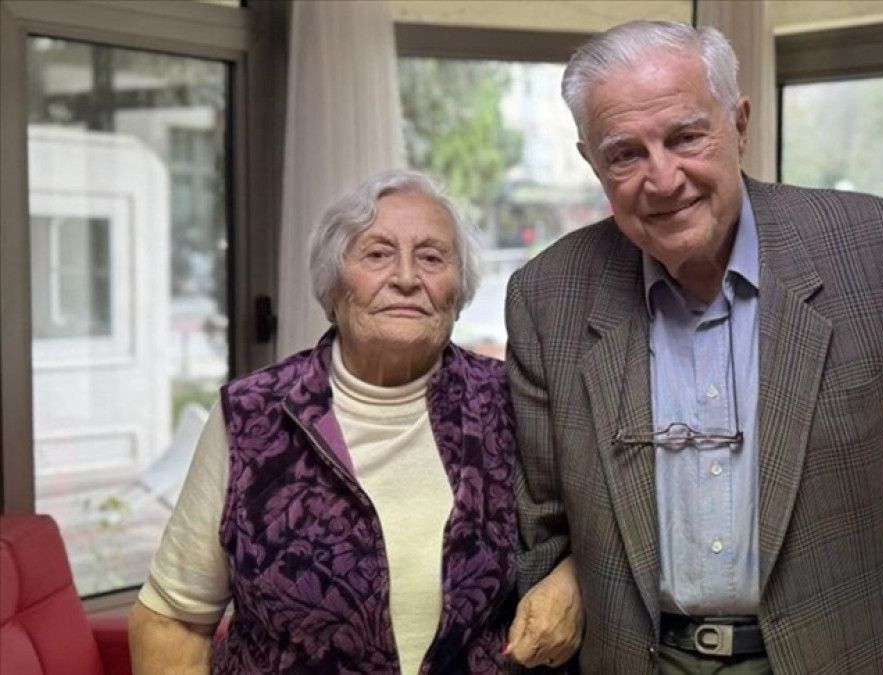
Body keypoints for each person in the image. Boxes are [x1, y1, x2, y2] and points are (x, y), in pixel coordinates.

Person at [506, 20, 883, 674]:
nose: (663, 178)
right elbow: (543, 542)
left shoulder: (876, 251)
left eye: (686, 137)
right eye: (625, 153)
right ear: (592, 162)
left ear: (739, 125)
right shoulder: (547, 296)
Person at [128, 169, 580, 674]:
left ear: (459, 288)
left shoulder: (510, 401)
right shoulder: (251, 415)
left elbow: (600, 531)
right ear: (334, 286)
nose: (406, 277)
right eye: (378, 254)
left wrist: (573, 580)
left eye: (431, 257)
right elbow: (171, 621)